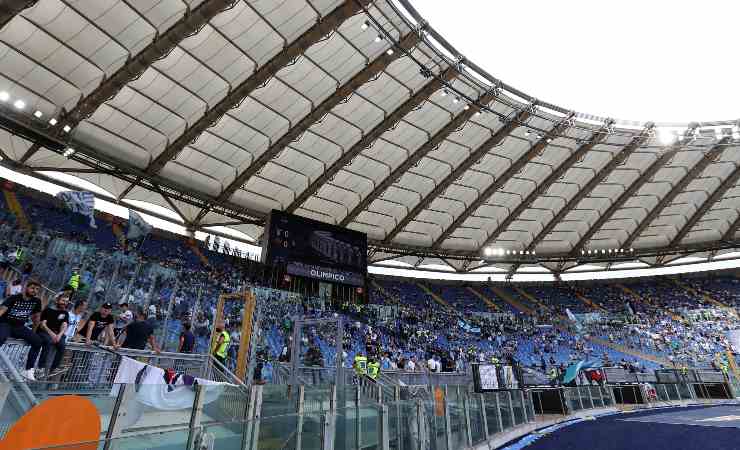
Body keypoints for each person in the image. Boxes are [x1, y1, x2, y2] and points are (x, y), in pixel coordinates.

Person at [0, 280, 44, 380]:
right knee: (1, 337)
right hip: (6, 323)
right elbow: (2, 310)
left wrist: (33, 332)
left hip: (19, 326)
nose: (34, 291)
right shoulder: (14, 298)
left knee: (37, 341)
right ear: (26, 287)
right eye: (32, 288)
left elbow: (36, 318)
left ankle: (28, 370)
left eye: (37, 289)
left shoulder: (36, 301)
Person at [36, 292, 70, 378]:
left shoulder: (65, 313)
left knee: (62, 345)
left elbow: (65, 325)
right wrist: (52, 334)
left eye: (66, 301)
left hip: (56, 334)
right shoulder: (48, 310)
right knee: (48, 342)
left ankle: (54, 368)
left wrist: (59, 335)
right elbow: (43, 325)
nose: (65, 303)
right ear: (57, 300)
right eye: (63, 300)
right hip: (44, 332)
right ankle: (41, 367)